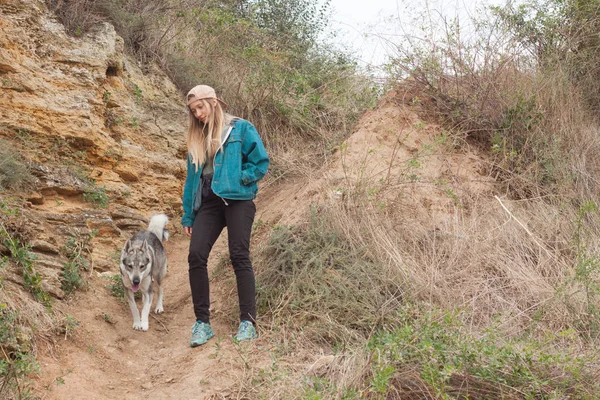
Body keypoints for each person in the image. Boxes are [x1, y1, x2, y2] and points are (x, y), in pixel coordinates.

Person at [181, 84, 269, 347]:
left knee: (238, 254)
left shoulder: (241, 128)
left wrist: (242, 179)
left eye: (200, 107)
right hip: (209, 202)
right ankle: (202, 324)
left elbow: (260, 162)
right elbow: (191, 180)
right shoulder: (196, 137)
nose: (197, 114)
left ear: (213, 102)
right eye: (193, 110)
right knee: (196, 255)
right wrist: (189, 215)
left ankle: (247, 322)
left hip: (238, 199)